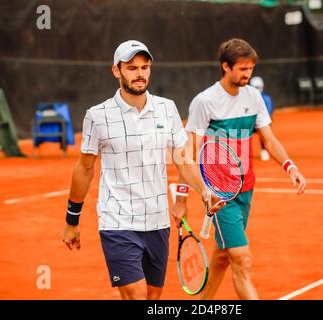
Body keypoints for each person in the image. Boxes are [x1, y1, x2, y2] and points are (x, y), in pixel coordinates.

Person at [61, 40, 216, 300]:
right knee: (136, 295)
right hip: (117, 222)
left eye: (145, 67)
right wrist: (71, 221)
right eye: (132, 68)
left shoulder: (167, 109)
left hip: (158, 221)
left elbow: (183, 159)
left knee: (153, 297)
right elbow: (84, 168)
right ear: (116, 71)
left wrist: (204, 191)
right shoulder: (97, 116)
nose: (140, 74)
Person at [175, 38, 306, 300]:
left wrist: (290, 166)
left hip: (247, 188)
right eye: (242, 69)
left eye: (251, 69)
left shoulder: (254, 97)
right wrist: (181, 199)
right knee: (242, 259)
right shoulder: (205, 102)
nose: (248, 74)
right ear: (225, 66)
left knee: (224, 256)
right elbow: (187, 154)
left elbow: (268, 138)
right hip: (220, 196)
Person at [249, 76, 273, 161]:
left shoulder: (266, 98)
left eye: (258, 87)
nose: (257, 89)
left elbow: (269, 113)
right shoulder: (246, 98)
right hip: (250, 123)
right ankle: (243, 152)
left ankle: (264, 150)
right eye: (255, 87)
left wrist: (259, 122)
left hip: (261, 123)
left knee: (265, 131)